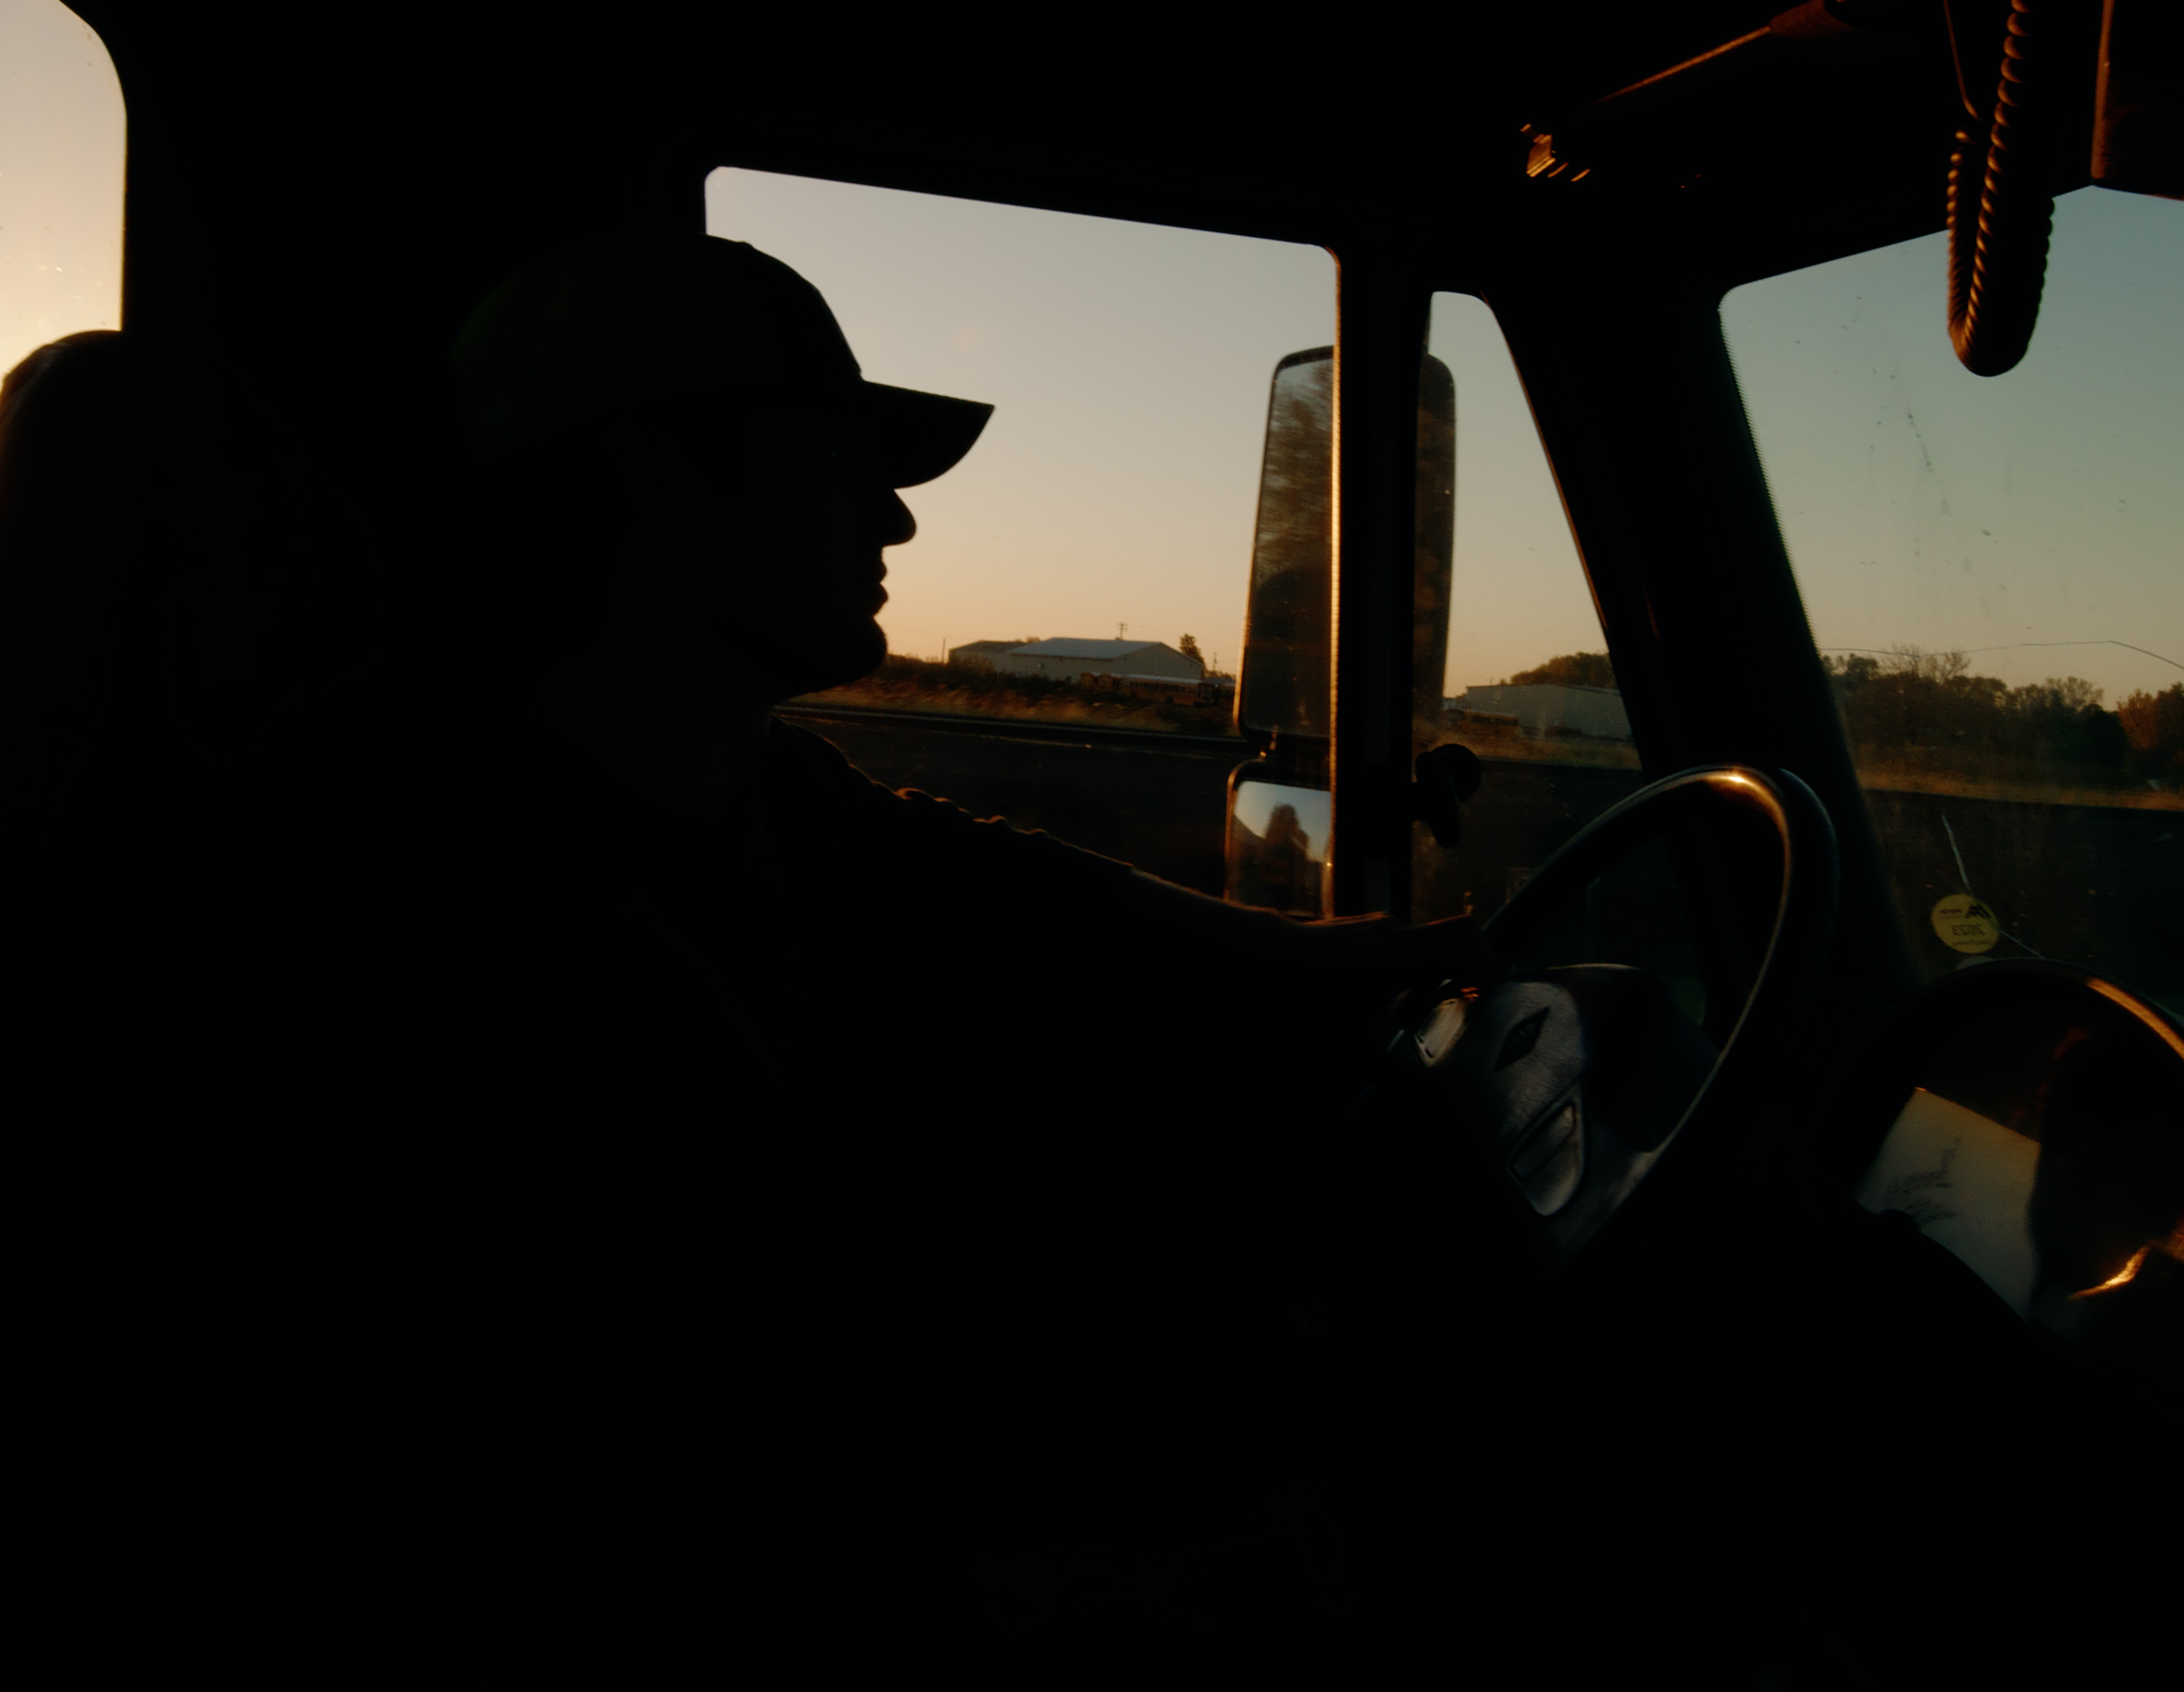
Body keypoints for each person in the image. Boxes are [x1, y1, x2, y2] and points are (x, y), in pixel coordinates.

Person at [380, 227, 1483, 1666]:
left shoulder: (760, 794)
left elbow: (1031, 898)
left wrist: (1389, 958)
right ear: (656, 472)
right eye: (843, 461)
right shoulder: (467, 926)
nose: (894, 525)